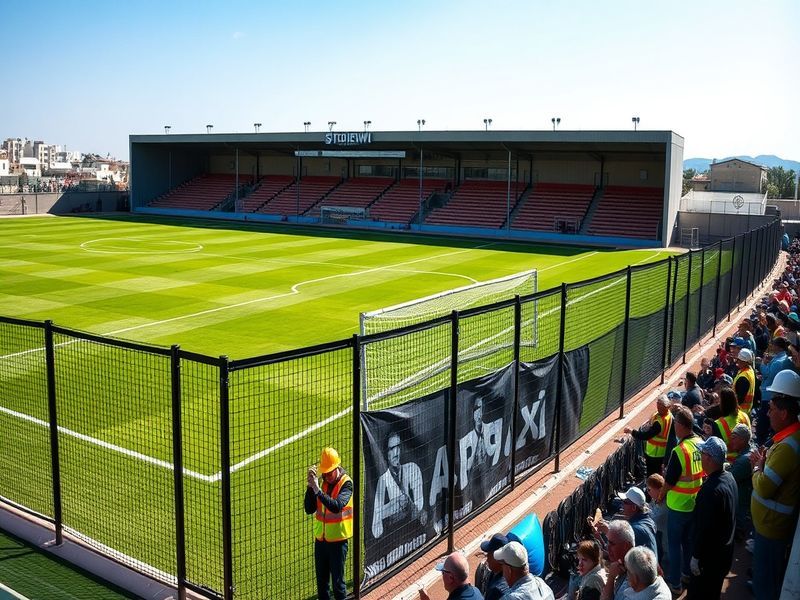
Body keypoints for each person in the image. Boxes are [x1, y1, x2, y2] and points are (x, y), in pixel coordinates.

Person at [749, 369, 800, 600]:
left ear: (785, 412)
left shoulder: (788, 447)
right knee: (764, 576)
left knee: (765, 585)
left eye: (772, 409)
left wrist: (757, 468)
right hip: (770, 526)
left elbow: (763, 487)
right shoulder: (788, 440)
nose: (767, 413)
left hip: (772, 528)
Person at [659, 405, 703, 595]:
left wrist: (660, 496)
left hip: (678, 506)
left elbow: (668, 482)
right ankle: (686, 574)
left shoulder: (679, 451)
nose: (674, 426)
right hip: (694, 503)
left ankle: (675, 584)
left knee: (675, 546)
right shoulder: (700, 443)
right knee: (688, 542)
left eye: (675, 422)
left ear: (681, 425)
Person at [687, 437, 737, 600]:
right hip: (724, 555)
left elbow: (704, 529)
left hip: (708, 562)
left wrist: (696, 556)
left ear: (708, 457)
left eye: (702, 453)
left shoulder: (710, 491)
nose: (700, 456)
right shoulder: (729, 478)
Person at [304, 447, 353, 600]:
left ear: (337, 467)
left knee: (338, 585)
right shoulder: (322, 483)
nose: (327, 476)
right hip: (321, 542)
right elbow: (309, 508)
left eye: (329, 473)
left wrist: (318, 490)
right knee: (322, 586)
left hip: (338, 543)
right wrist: (310, 488)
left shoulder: (347, 484)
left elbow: (337, 506)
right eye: (324, 473)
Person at [372, 432, 425, 539]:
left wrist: (406, 504)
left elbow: (419, 506)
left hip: (415, 533)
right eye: (391, 449)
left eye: (398, 447)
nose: (396, 453)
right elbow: (376, 530)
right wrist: (394, 506)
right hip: (394, 539)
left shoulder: (413, 469)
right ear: (386, 454)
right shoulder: (383, 481)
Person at [756, 336, 793, 444]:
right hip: (770, 392)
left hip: (768, 395)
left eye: (773, 345)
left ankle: (761, 443)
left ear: (778, 347)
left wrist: (763, 363)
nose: (771, 346)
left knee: (763, 423)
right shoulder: (780, 358)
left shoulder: (778, 362)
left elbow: (767, 373)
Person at [624, 395, 672, 476]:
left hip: (654, 454)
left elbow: (645, 436)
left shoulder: (659, 423)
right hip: (658, 453)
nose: (658, 408)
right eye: (657, 405)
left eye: (659, 406)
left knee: (652, 475)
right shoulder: (668, 415)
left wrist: (631, 431)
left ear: (665, 406)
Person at [726, 423, 754, 537]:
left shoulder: (744, 460)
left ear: (742, 440)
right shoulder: (749, 450)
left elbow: (729, 478)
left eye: (734, 438)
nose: (731, 441)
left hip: (741, 505)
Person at [708, 387, 750, 461]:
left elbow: (717, 450)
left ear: (722, 403)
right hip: (747, 457)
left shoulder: (718, 424)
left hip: (729, 463)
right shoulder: (745, 416)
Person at [615, 487, 657, 559]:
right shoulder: (649, 520)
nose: (622, 505)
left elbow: (621, 557)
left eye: (625, 502)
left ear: (634, 507)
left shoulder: (635, 529)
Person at [599, 520, 634, 600]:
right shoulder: (627, 565)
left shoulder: (632, 580)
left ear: (626, 546)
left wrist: (611, 577)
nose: (608, 547)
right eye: (608, 543)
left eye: (612, 544)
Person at [475, 533, 510, 600]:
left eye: (489, 553)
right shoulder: (496, 572)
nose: (487, 556)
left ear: (497, 558)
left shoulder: (497, 590)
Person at [644, 474, 667, 566]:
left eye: (649, 489)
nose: (647, 492)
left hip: (666, 552)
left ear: (659, 490)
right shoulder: (656, 499)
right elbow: (649, 507)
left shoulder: (665, 504)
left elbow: (652, 520)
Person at [732, 347, 757, 414]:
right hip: (745, 411)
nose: (737, 361)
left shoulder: (743, 377)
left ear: (744, 362)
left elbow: (739, 399)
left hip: (739, 411)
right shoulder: (750, 370)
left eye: (739, 360)